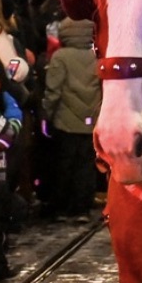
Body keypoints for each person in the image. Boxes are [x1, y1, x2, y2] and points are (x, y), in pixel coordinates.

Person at [40, 18, 101, 218]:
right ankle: (82, 207)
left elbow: (53, 91)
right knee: (86, 164)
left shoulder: (60, 57)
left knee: (64, 164)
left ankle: (62, 206)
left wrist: (46, 114)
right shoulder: (98, 56)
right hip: (91, 119)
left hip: (65, 120)